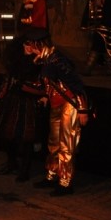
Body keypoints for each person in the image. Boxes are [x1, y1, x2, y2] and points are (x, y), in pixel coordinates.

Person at [23, 29, 91, 197]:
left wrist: (83, 109)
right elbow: (51, 83)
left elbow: (75, 84)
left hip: (70, 105)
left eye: (28, 44)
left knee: (66, 145)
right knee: (53, 142)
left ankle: (65, 182)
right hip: (56, 105)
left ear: (36, 44)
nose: (26, 47)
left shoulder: (57, 60)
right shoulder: (45, 59)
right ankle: (52, 174)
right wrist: (47, 95)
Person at [0, 37, 44, 182]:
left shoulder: (39, 63)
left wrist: (25, 87)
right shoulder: (15, 61)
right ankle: (12, 164)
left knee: (27, 139)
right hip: (12, 102)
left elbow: (42, 86)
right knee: (7, 136)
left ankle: (25, 170)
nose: (28, 47)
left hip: (29, 102)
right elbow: (7, 81)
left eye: (31, 44)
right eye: (26, 43)